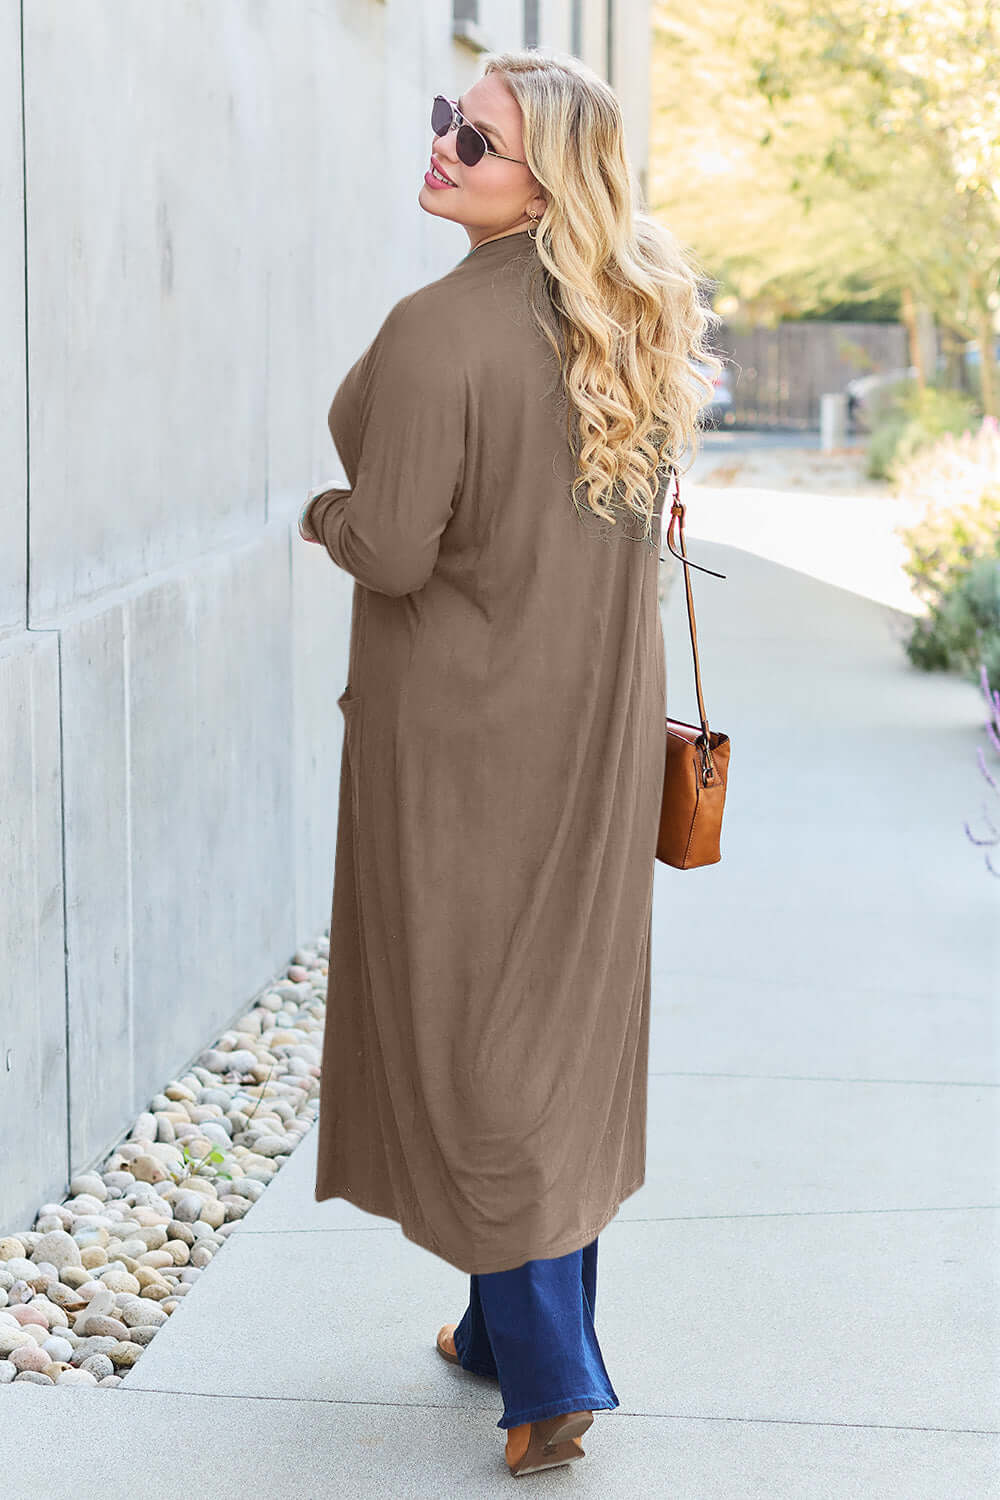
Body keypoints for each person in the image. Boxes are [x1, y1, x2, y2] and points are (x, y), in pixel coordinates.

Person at [299, 48, 718, 1479]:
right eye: (444, 122)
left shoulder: (439, 330)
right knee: (552, 1022)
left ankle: (547, 1374)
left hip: (466, 737)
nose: (441, 148)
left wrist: (323, 516)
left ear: (548, 180)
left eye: (472, 140)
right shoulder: (633, 320)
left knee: (475, 1034)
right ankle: (498, 1328)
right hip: (593, 727)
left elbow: (397, 544)